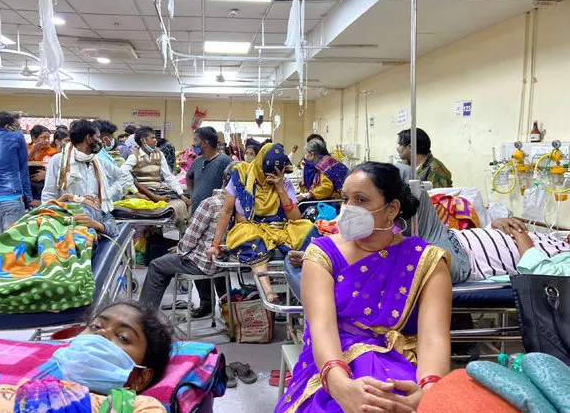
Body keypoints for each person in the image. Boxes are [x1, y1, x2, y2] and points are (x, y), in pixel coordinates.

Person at [275, 162, 452, 413]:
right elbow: (321, 327)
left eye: (361, 200)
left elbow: (433, 338)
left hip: (401, 365)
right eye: (345, 199)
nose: (348, 209)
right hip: (332, 362)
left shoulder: (426, 261)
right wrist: (341, 387)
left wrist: (428, 393)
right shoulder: (323, 254)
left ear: (391, 209)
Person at [0, 300, 171, 412]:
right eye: (96, 326)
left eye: (123, 338)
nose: (102, 335)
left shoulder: (139, 407)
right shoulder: (9, 391)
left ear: (141, 378)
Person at [208, 144, 319, 303]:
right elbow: (226, 212)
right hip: (249, 227)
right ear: (260, 164)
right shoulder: (240, 176)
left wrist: (280, 188)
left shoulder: (283, 182)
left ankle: (307, 287)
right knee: (250, 237)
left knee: (308, 228)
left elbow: (295, 218)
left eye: (275, 173)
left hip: (279, 227)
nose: (269, 178)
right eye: (267, 173)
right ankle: (268, 290)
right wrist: (216, 243)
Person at [141, 163, 238, 317]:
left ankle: (144, 317)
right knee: (195, 253)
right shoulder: (244, 207)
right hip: (224, 261)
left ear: (224, 180)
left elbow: (191, 237)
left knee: (157, 266)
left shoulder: (211, 203)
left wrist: (179, 249)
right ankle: (218, 307)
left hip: (205, 262)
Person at [414, 188, 570, 283]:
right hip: (450, 237)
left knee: (410, 189)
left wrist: (520, 234)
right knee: (410, 185)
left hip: (462, 261)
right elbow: (496, 243)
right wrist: (497, 225)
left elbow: (544, 274)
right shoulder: (553, 239)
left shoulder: (566, 257)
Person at [42, 119, 133, 215]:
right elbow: (49, 194)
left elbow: (125, 176)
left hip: (96, 214)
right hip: (69, 216)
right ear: (89, 138)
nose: (100, 141)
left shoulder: (97, 161)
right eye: (98, 137)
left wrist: (107, 193)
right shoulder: (58, 161)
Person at [121, 127, 189, 207]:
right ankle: (154, 197)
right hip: (143, 191)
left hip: (157, 190)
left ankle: (157, 197)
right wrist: (135, 191)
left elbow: (168, 176)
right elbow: (122, 172)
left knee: (186, 193)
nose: (155, 140)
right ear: (143, 140)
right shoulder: (134, 156)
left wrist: (181, 194)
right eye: (152, 138)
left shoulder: (159, 154)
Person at [186, 127, 231, 216]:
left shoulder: (225, 161)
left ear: (204, 143)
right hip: (196, 210)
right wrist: (192, 196)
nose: (193, 144)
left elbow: (230, 187)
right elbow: (188, 177)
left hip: (214, 214)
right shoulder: (197, 161)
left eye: (195, 140)